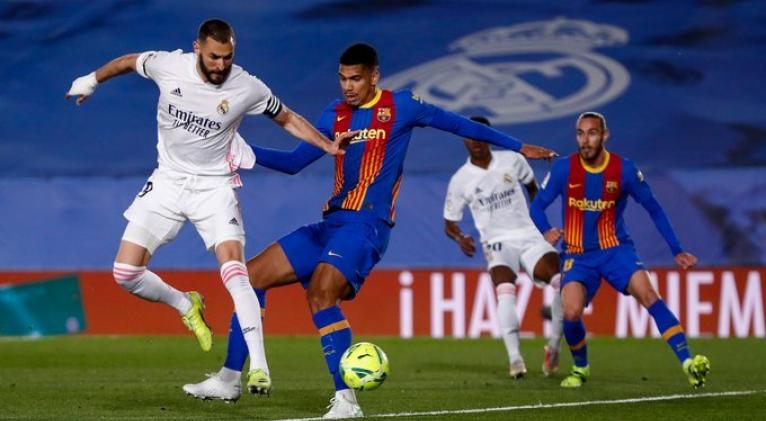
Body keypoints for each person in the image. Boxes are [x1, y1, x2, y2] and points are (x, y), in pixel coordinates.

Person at [181, 43, 556, 418]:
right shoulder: (335, 115)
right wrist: (241, 149)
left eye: (356, 78)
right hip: (332, 224)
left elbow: (460, 124)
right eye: (343, 78)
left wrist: (519, 146)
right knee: (251, 276)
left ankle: (346, 400)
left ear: (373, 76)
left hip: (367, 227)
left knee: (321, 294)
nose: (348, 86)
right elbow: (296, 162)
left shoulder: (402, 107)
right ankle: (230, 378)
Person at [65, 19, 346, 384]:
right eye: (214, 57)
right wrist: (92, 79)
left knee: (235, 271)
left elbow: (287, 117)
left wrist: (326, 146)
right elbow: (127, 61)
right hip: (167, 182)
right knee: (125, 273)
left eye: (228, 57)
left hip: (215, 188)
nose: (220, 65)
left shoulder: (247, 86)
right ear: (197, 48)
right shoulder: (168, 66)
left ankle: (259, 367)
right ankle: (186, 304)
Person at [529, 111, 710, 388]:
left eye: (591, 133)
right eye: (580, 133)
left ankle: (687, 362)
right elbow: (537, 206)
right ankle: (581, 368)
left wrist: (677, 249)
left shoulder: (623, 169)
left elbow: (653, 207)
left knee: (649, 295)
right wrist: (547, 229)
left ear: (605, 135)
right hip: (577, 254)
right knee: (572, 312)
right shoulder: (564, 168)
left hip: (615, 250)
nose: (585, 140)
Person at [443, 116, 563, 379]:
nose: (475, 141)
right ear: (463, 140)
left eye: (481, 134)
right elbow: (449, 223)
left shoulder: (513, 160)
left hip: (529, 235)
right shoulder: (460, 180)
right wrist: (460, 237)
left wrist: (543, 226)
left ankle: (553, 347)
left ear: (490, 135)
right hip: (497, 242)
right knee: (505, 289)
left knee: (561, 282)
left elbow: (533, 190)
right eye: (470, 136)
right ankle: (515, 359)